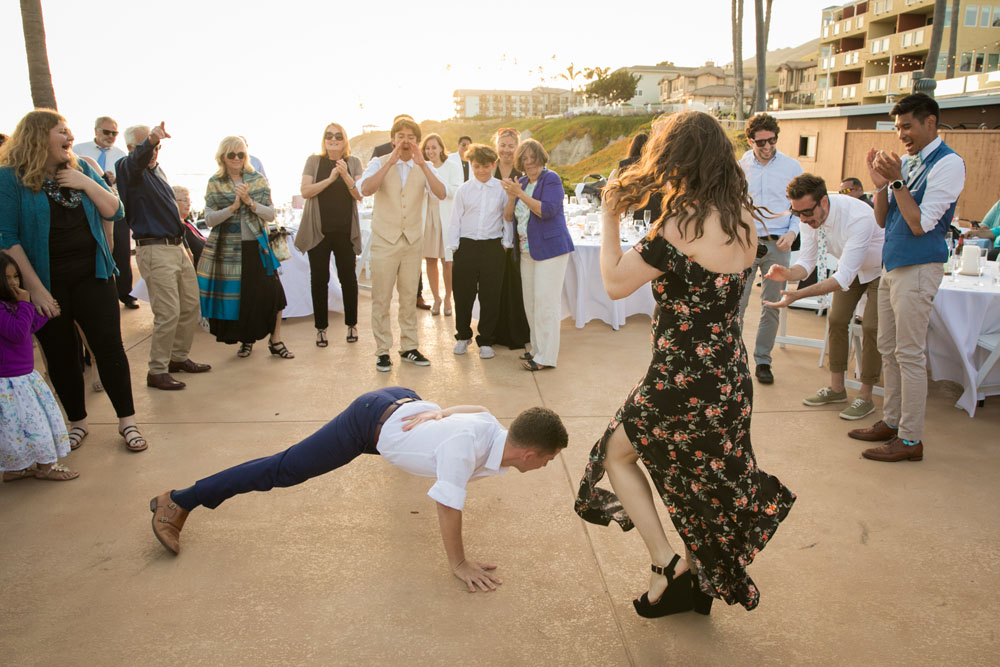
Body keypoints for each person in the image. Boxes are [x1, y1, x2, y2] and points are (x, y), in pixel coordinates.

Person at [574, 111, 795, 617]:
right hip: (730, 378)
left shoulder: (677, 226)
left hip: (679, 379)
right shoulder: (742, 219)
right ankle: (698, 580)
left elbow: (613, 283)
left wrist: (609, 217)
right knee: (701, 481)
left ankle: (665, 565)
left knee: (614, 454)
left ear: (676, 159)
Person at [148, 387, 568, 591]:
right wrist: (459, 565)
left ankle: (182, 498)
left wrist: (441, 413)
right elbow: (447, 507)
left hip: (403, 401)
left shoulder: (494, 429)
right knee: (285, 468)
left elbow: (475, 409)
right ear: (529, 453)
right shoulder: (464, 448)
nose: (549, 465)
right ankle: (180, 500)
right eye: (549, 458)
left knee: (420, 449)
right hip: (366, 422)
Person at [0, 109, 147, 452]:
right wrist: (34, 290)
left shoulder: (80, 167)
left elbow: (115, 210)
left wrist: (84, 182)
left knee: (110, 348)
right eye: (61, 131)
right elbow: (7, 237)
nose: (69, 137)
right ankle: (77, 422)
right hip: (46, 282)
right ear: (38, 137)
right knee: (61, 354)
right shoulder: (10, 178)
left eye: (69, 131)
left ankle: (128, 421)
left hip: (93, 275)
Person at [849, 93, 966, 462]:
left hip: (918, 268)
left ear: (930, 122)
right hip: (893, 266)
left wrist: (898, 180)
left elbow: (919, 224)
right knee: (889, 349)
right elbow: (884, 220)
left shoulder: (949, 164)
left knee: (910, 354)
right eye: (897, 127)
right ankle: (893, 421)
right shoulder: (912, 161)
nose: (901, 134)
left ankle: (911, 440)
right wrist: (881, 184)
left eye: (907, 126)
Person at [762, 174, 884, 420]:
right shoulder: (808, 218)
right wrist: (787, 273)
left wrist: (796, 294)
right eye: (798, 214)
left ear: (824, 202)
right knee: (837, 320)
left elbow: (841, 279)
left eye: (807, 212)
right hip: (852, 272)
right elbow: (806, 263)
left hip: (881, 269)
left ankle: (866, 396)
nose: (804, 220)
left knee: (871, 327)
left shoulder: (857, 217)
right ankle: (837, 389)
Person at [117, 123, 210, 390]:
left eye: (156, 146)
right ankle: (156, 370)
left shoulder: (157, 172)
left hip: (176, 247)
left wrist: (185, 247)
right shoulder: (127, 168)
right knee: (168, 311)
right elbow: (136, 162)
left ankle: (177, 358)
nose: (154, 151)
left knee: (190, 305)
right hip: (155, 249)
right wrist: (151, 140)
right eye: (147, 145)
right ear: (132, 148)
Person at [358, 117, 446, 372]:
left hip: (411, 241)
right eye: (401, 136)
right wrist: (390, 162)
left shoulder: (425, 165)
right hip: (385, 239)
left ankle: (409, 347)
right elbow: (365, 189)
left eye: (411, 137)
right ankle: (382, 351)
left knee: (409, 298)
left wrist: (423, 165)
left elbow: (440, 193)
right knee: (381, 299)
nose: (405, 141)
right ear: (393, 139)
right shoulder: (378, 162)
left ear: (417, 141)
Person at [198, 136, 292, 360]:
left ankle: (275, 339)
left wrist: (249, 202)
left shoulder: (256, 180)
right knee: (242, 299)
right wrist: (233, 207)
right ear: (223, 157)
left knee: (275, 295)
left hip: (257, 247)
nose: (237, 158)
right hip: (229, 252)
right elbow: (209, 219)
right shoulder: (215, 182)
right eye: (232, 155)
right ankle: (247, 341)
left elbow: (270, 214)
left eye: (241, 154)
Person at [737, 112, 803, 385]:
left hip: (779, 243)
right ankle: (734, 360)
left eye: (772, 141)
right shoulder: (740, 167)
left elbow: (801, 205)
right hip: (746, 243)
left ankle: (763, 360)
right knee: (736, 305)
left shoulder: (792, 167)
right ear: (750, 140)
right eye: (761, 142)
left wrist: (792, 231)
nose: (767, 147)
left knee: (772, 305)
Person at [0, 252, 77, 482]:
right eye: (7, 278)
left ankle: (17, 469)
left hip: (24, 378)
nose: (13, 282)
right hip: (11, 383)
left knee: (20, 428)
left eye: (16, 276)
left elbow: (27, 327)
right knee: (34, 426)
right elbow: (17, 333)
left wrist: (45, 313)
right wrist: (25, 303)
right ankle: (45, 467)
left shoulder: (10, 305)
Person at [501, 139, 574, 371]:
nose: (529, 162)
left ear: (541, 158)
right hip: (527, 250)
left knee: (546, 304)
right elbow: (509, 217)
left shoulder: (550, 179)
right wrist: (513, 196)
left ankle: (546, 357)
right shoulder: (521, 182)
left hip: (550, 251)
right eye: (524, 159)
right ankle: (536, 349)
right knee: (531, 302)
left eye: (533, 158)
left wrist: (520, 194)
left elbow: (547, 210)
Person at [296, 123, 363, 347]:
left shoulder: (353, 162)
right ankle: (321, 329)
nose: (333, 139)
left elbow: (359, 194)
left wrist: (344, 175)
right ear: (323, 139)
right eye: (328, 135)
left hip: (344, 231)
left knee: (348, 280)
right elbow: (306, 191)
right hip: (319, 232)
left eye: (338, 136)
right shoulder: (314, 161)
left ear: (344, 140)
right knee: (319, 280)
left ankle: (352, 324)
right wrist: (330, 178)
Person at [449, 144, 513, 359]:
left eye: (486, 166)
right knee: (463, 294)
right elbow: (455, 219)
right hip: (466, 246)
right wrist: (455, 247)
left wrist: (507, 242)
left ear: (494, 165)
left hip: (492, 246)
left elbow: (506, 217)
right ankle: (462, 336)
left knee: (490, 295)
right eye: (477, 166)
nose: (482, 171)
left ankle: (486, 340)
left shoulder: (501, 189)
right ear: (471, 165)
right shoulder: (463, 190)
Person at [74, 116, 136, 309]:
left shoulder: (120, 154)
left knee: (122, 251)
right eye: (106, 132)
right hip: (88, 210)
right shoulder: (78, 151)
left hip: (115, 206)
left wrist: (113, 180)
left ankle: (126, 293)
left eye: (114, 133)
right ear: (96, 131)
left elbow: (129, 180)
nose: (110, 136)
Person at [492, 128, 531, 351]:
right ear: (497, 146)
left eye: (510, 145)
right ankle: (495, 331)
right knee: (496, 283)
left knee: (517, 282)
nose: (506, 150)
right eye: (503, 145)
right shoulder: (489, 168)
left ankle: (517, 332)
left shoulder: (523, 171)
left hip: (519, 233)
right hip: (493, 232)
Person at [421, 133, 463, 316]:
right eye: (427, 148)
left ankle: (448, 297)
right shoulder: (421, 167)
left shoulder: (452, 167)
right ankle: (436, 298)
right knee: (430, 260)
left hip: (446, 216)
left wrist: (437, 179)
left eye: (434, 147)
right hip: (428, 215)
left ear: (441, 148)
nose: (431, 151)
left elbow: (457, 191)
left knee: (448, 261)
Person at [614, 133, 662, 225]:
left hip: (630, 215)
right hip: (654, 215)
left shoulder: (624, 165)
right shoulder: (655, 166)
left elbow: (619, 191)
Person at [172, 185, 206, 267]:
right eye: (185, 200)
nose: (189, 204)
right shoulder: (176, 227)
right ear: (173, 202)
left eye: (189, 201)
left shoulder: (187, 223)